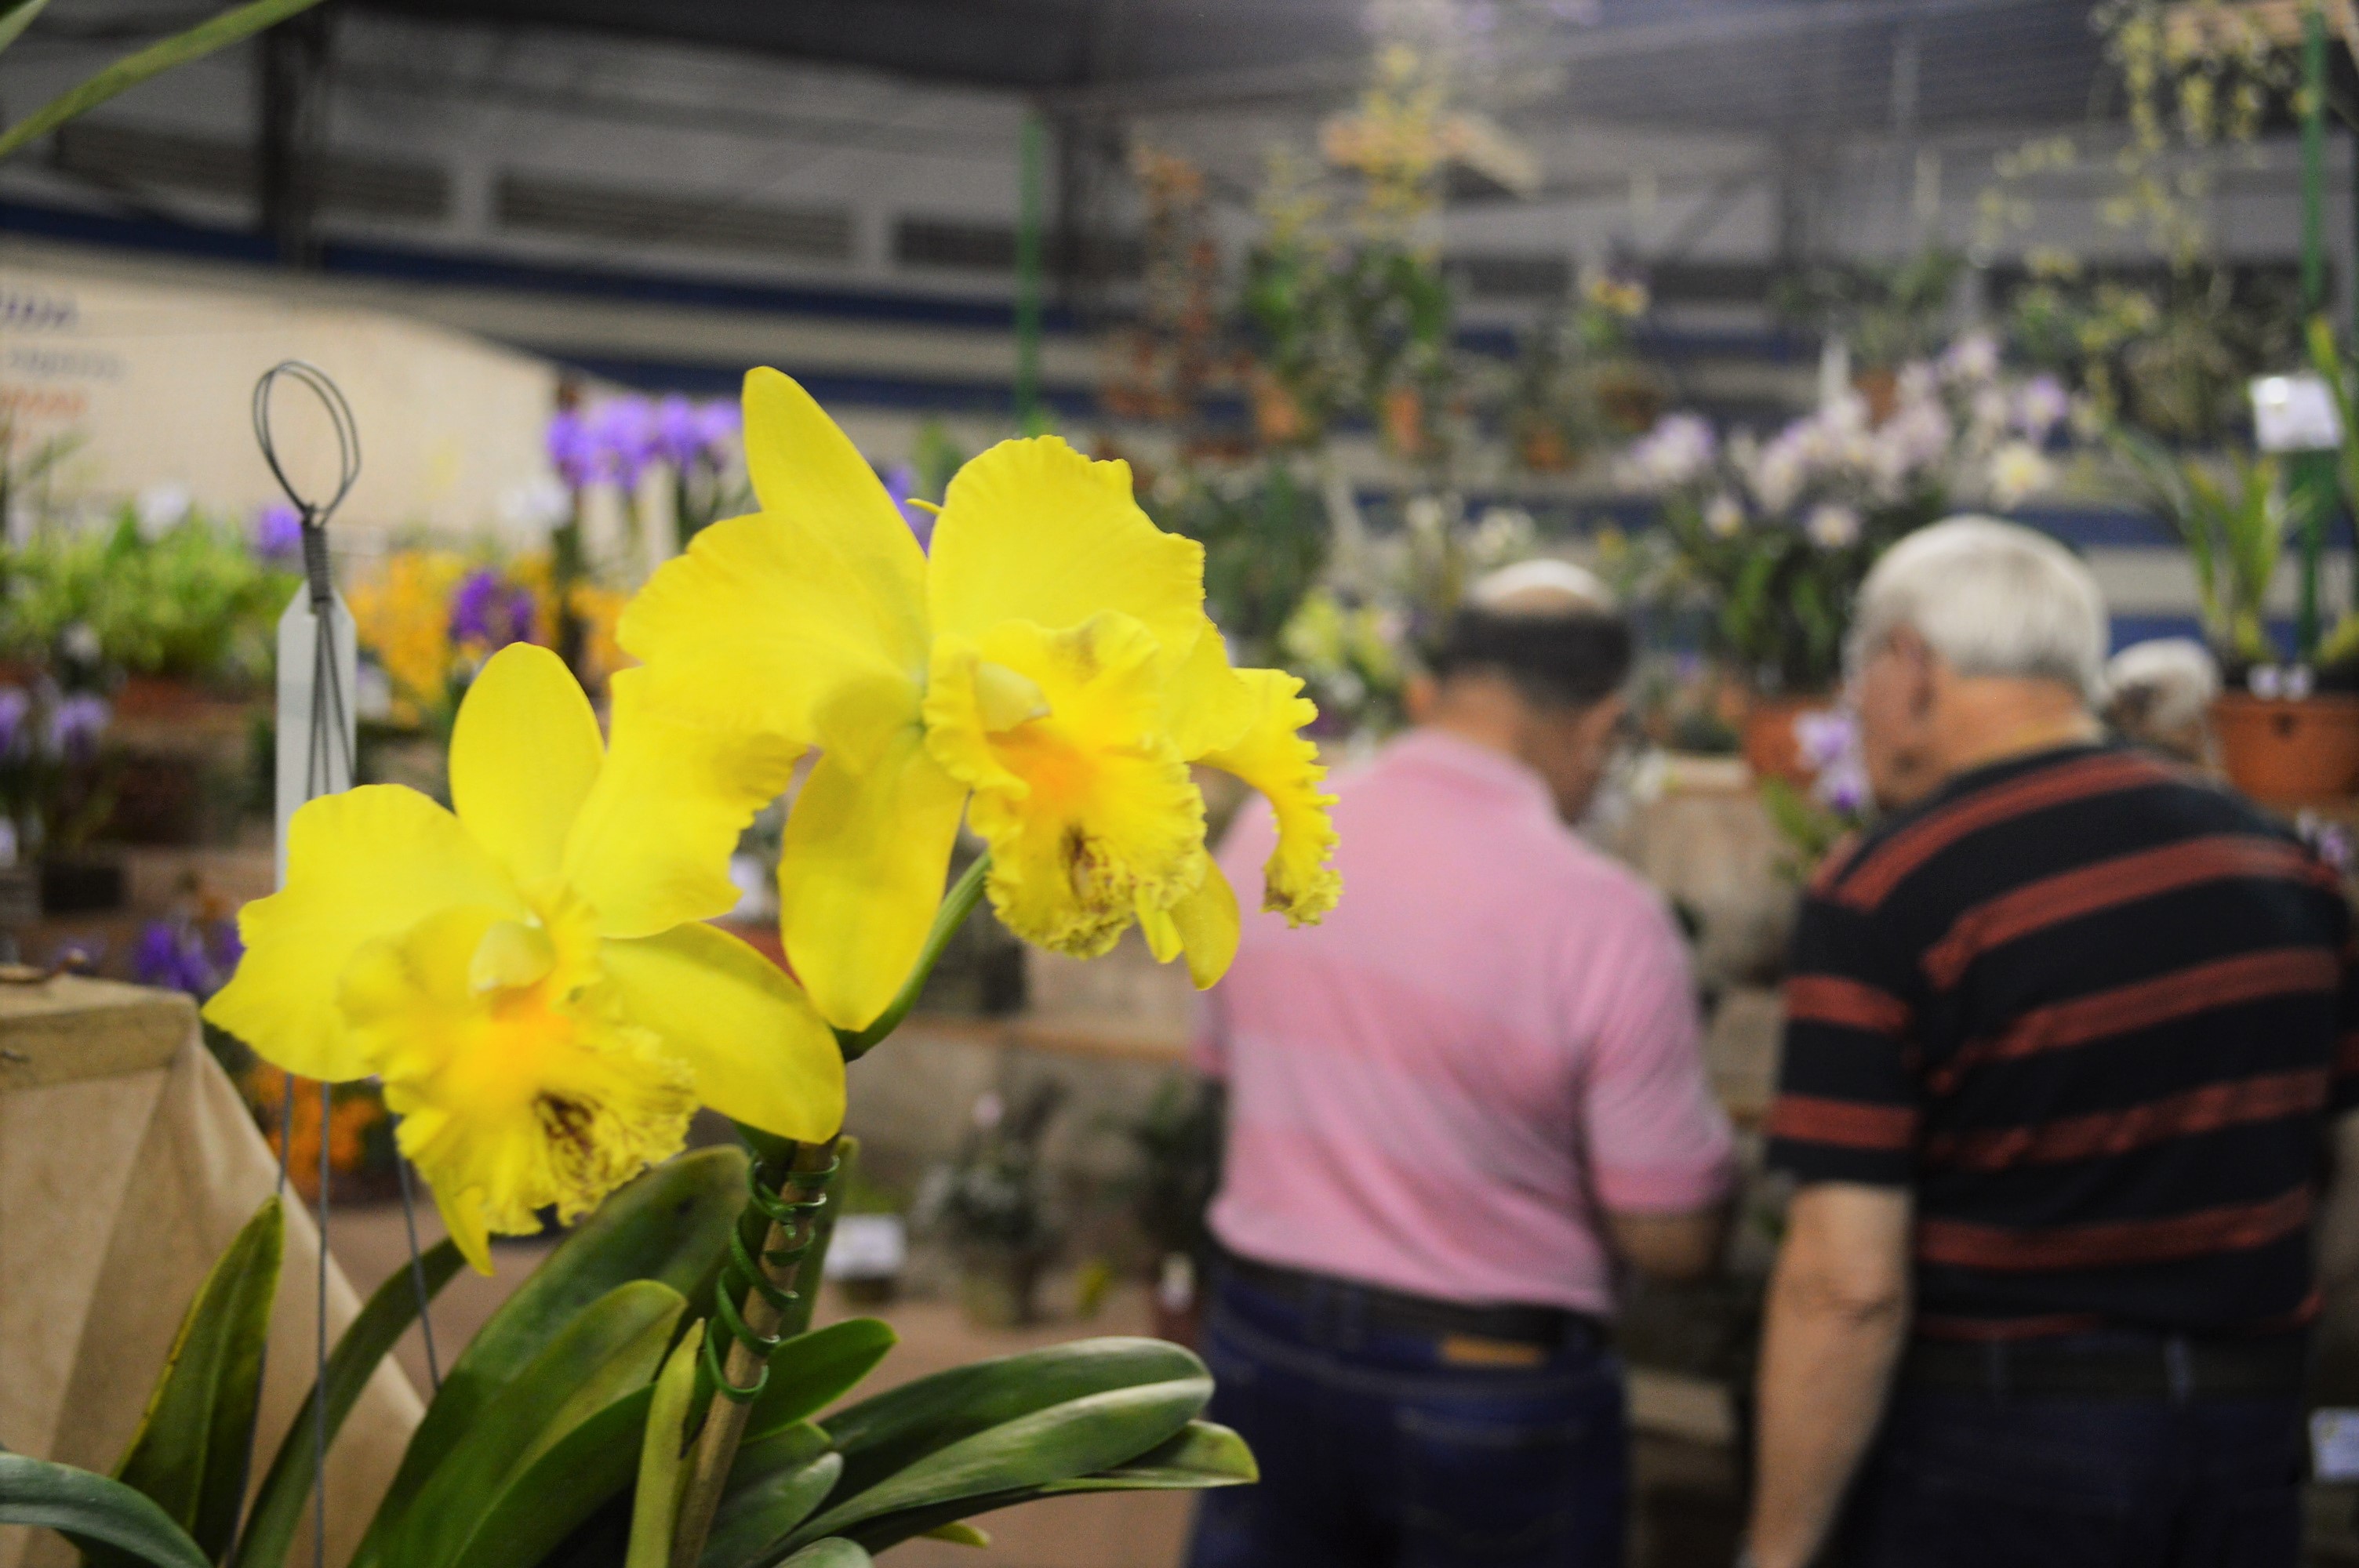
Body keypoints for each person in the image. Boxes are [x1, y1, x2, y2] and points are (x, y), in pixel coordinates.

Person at [1743, 517, 2359, 1568]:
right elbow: (2346, 1204)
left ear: (1910, 665)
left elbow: (1845, 1284)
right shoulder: (2286, 870)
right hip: (2241, 1432)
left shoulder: (1892, 893)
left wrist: (1777, 1551)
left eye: (1859, 677)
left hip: (2002, 1445)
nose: (1855, 711)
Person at [1188, 561, 1736, 1568]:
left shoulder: (1275, 825)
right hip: (1488, 1381)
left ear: (1439, 687)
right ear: (1600, 723)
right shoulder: (1602, 916)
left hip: (1262, 1343)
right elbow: (1668, 1236)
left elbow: (1221, 1068)